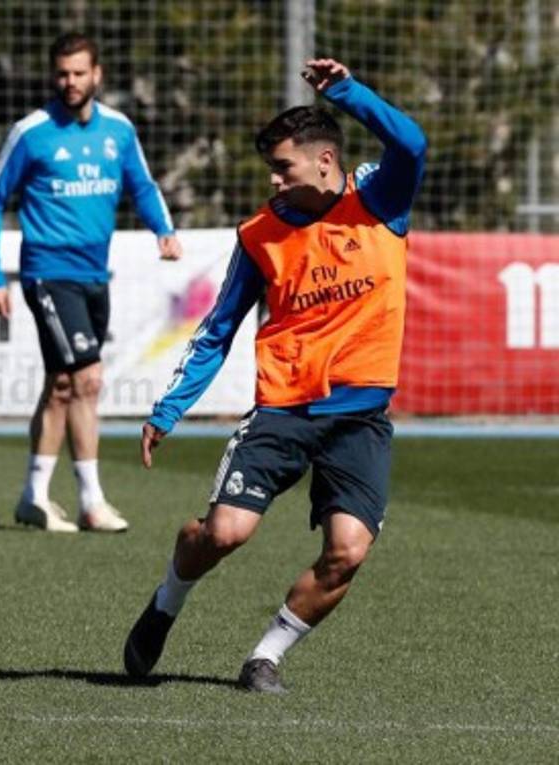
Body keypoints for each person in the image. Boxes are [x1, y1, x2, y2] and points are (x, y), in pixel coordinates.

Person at [123, 59, 427, 693]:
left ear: (324, 161)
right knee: (224, 533)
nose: (273, 179)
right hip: (283, 410)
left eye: (283, 167)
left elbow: (412, 142)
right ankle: (167, 599)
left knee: (347, 552)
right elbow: (218, 328)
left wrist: (346, 93)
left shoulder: (379, 200)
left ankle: (265, 657)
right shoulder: (260, 235)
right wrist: (169, 408)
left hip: (360, 417)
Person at [0, 32, 183, 534]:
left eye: (78, 73)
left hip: (95, 274)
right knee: (88, 378)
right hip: (48, 272)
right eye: (62, 73)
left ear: (97, 74)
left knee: (63, 385)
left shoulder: (118, 129)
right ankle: (92, 500)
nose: (69, 82)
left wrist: (164, 229)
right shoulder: (32, 132)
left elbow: (142, 184)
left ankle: (33, 497)